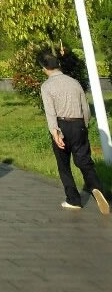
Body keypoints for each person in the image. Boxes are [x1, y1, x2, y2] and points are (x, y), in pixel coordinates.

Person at [38, 49, 110, 214]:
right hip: (79, 125)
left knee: (64, 165)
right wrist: (84, 126)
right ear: (59, 65)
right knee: (84, 162)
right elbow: (85, 108)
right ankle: (96, 188)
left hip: (61, 126)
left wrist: (55, 132)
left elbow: (50, 112)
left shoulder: (46, 86)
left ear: (44, 68)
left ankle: (73, 200)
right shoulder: (74, 82)